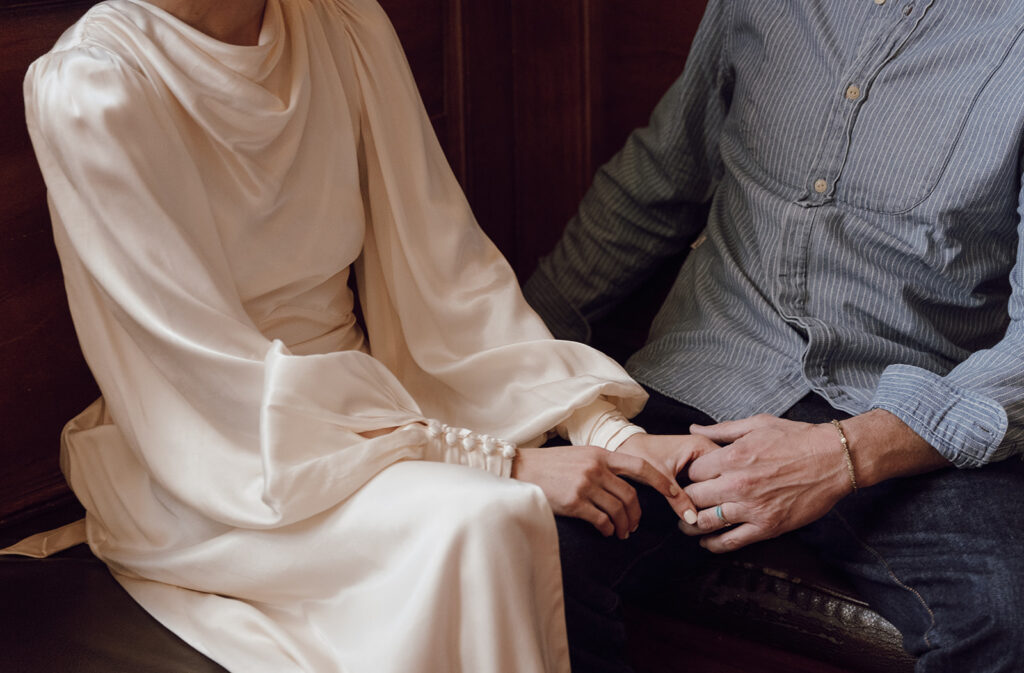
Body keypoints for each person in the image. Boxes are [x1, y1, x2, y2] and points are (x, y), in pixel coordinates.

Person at [14, 0, 711, 671]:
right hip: (213, 463)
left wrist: (599, 429)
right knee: (479, 522)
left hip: (371, 423)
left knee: (486, 519)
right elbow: (213, 386)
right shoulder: (92, 89)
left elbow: (450, 276)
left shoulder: (344, 23)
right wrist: (501, 462)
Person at [524, 2, 1024, 672]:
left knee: (1006, 620)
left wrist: (843, 453)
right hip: (703, 373)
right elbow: (656, 182)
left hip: (905, 416)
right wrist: (514, 353)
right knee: (528, 549)